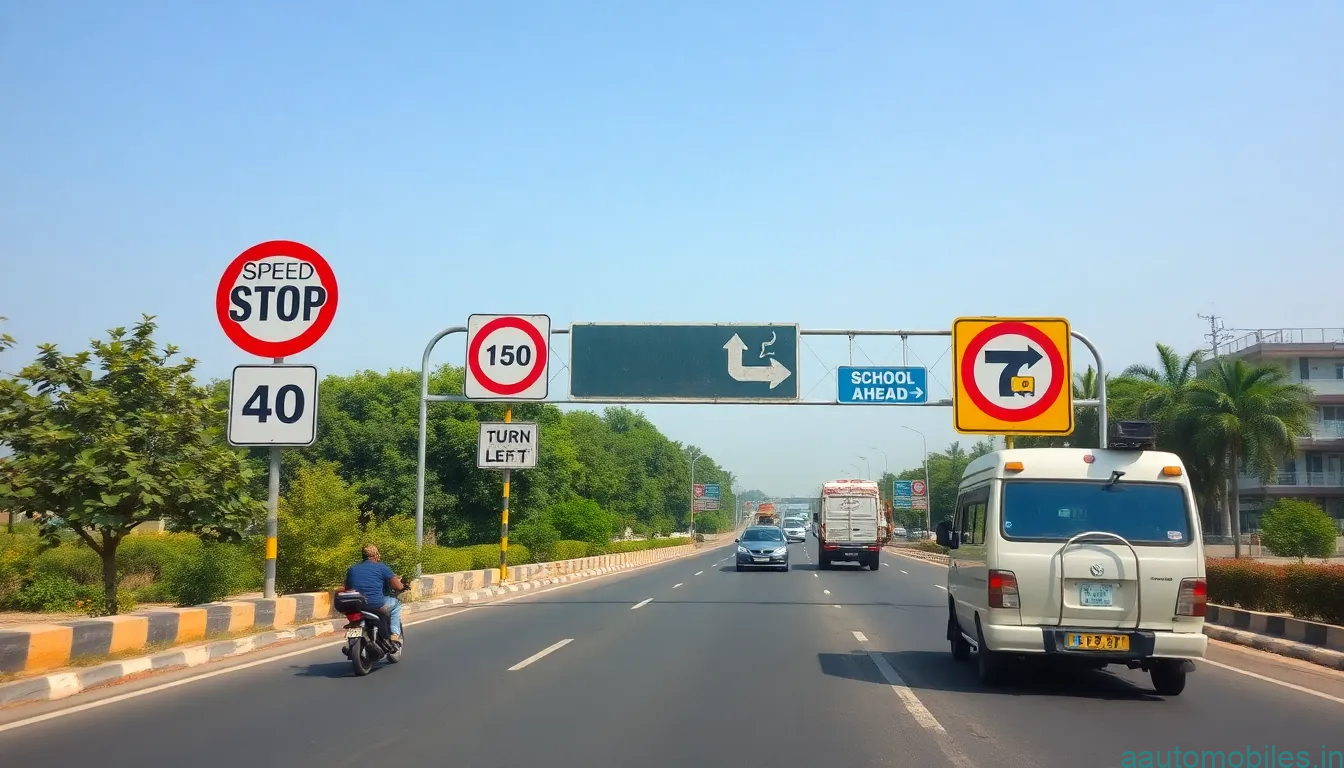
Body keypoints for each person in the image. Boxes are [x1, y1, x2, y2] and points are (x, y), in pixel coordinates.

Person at [344, 545, 406, 643]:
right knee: (396, 604)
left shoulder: (352, 569)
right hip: (375, 604)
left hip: (355, 605)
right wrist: (403, 586)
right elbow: (398, 586)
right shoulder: (382, 567)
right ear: (376, 555)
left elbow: (347, 587)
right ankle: (395, 634)